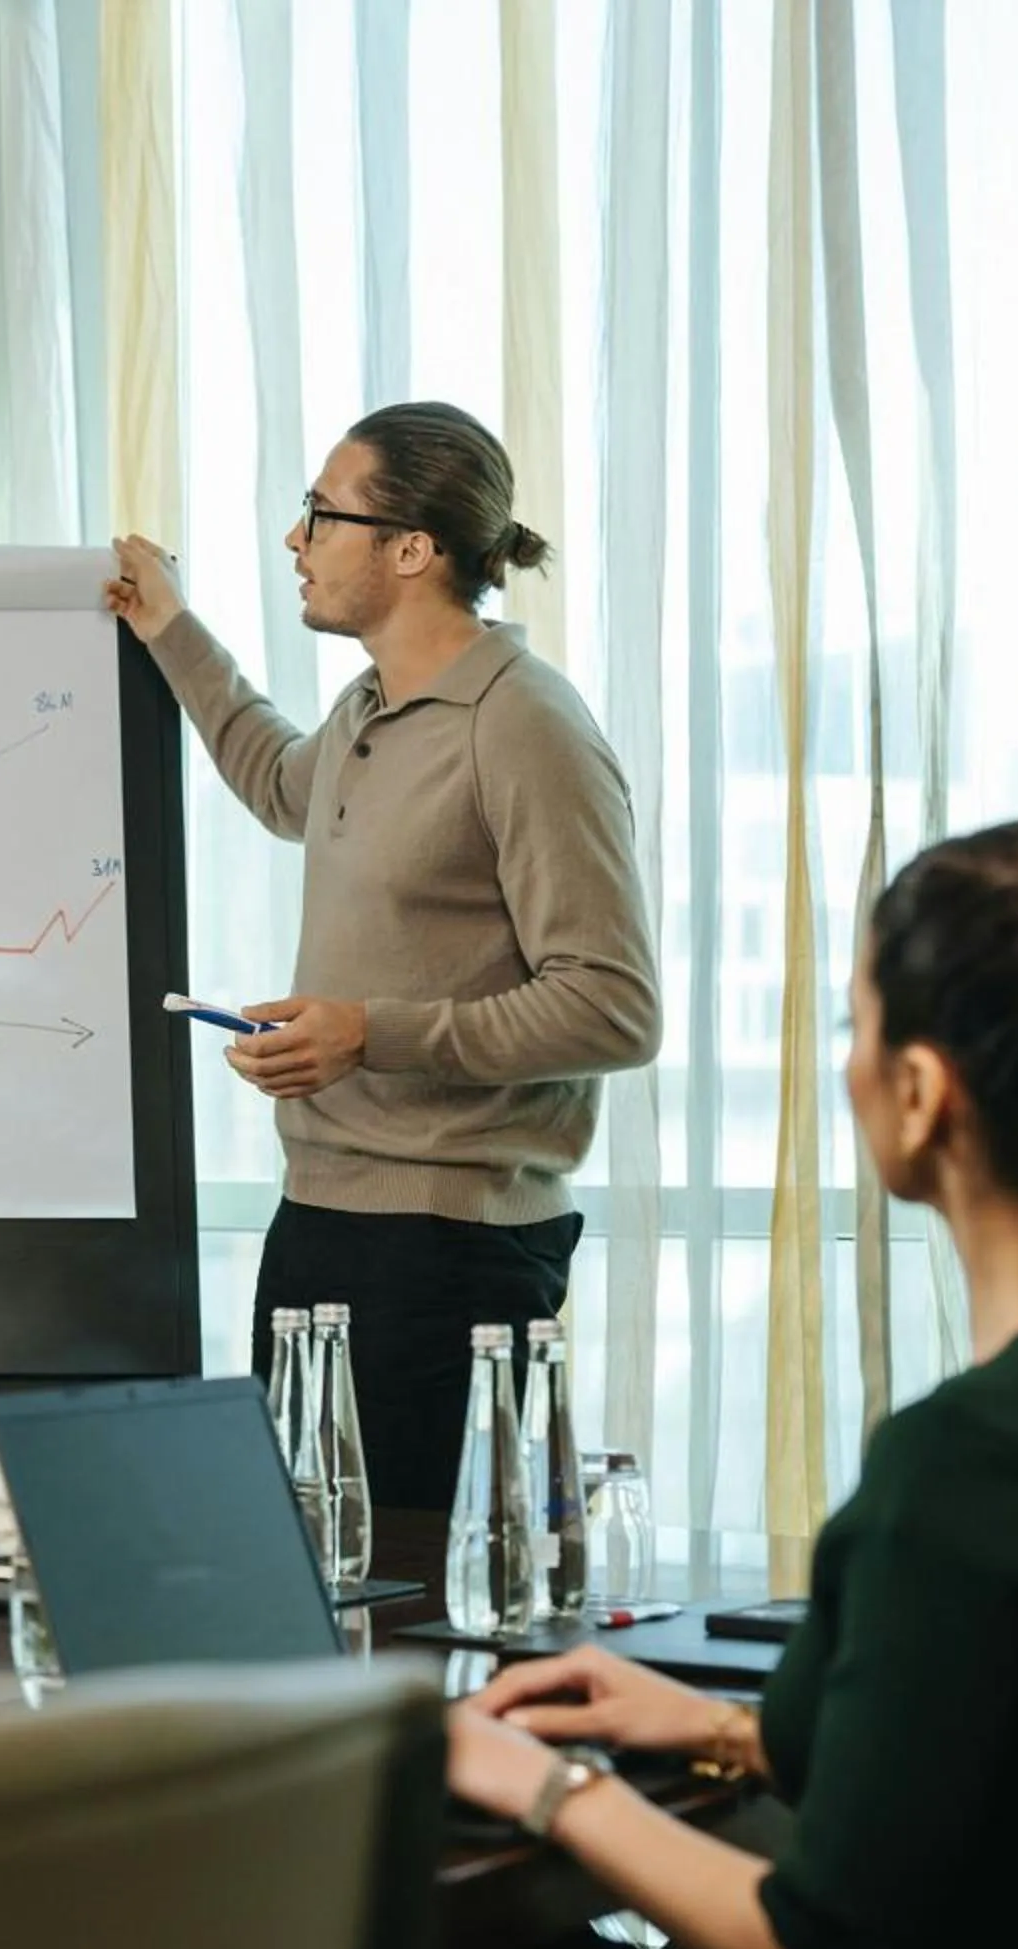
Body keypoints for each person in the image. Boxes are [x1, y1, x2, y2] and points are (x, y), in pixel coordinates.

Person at [445, 823, 1018, 1949]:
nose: (847, 1066)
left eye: (859, 1025)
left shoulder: (971, 1462)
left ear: (919, 1092)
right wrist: (718, 1726)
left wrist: (537, 1781)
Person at [105, 401, 658, 1510]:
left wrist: (370, 1033)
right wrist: (172, 626)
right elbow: (276, 780)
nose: (296, 538)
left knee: (417, 1624)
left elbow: (612, 1006)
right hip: (320, 1227)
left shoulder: (523, 722)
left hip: (451, 1255)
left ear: (413, 549)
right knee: (313, 1607)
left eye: (322, 511)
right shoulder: (374, 704)